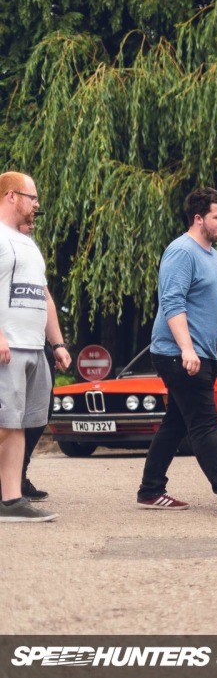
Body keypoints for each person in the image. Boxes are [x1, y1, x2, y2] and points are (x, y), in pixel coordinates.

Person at [135, 188, 217, 511]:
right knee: (205, 423)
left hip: (204, 353)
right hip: (178, 354)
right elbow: (172, 302)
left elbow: (214, 298)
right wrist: (187, 349)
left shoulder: (212, 255)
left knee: (176, 422)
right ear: (198, 218)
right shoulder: (181, 251)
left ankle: (150, 490)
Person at [0, 172, 71, 522]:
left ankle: (11, 501)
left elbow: (43, 297)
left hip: (32, 347)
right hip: (7, 346)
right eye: (32, 197)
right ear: (11, 196)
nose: (36, 204)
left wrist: (56, 343)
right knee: (4, 424)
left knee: (18, 426)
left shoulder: (27, 242)